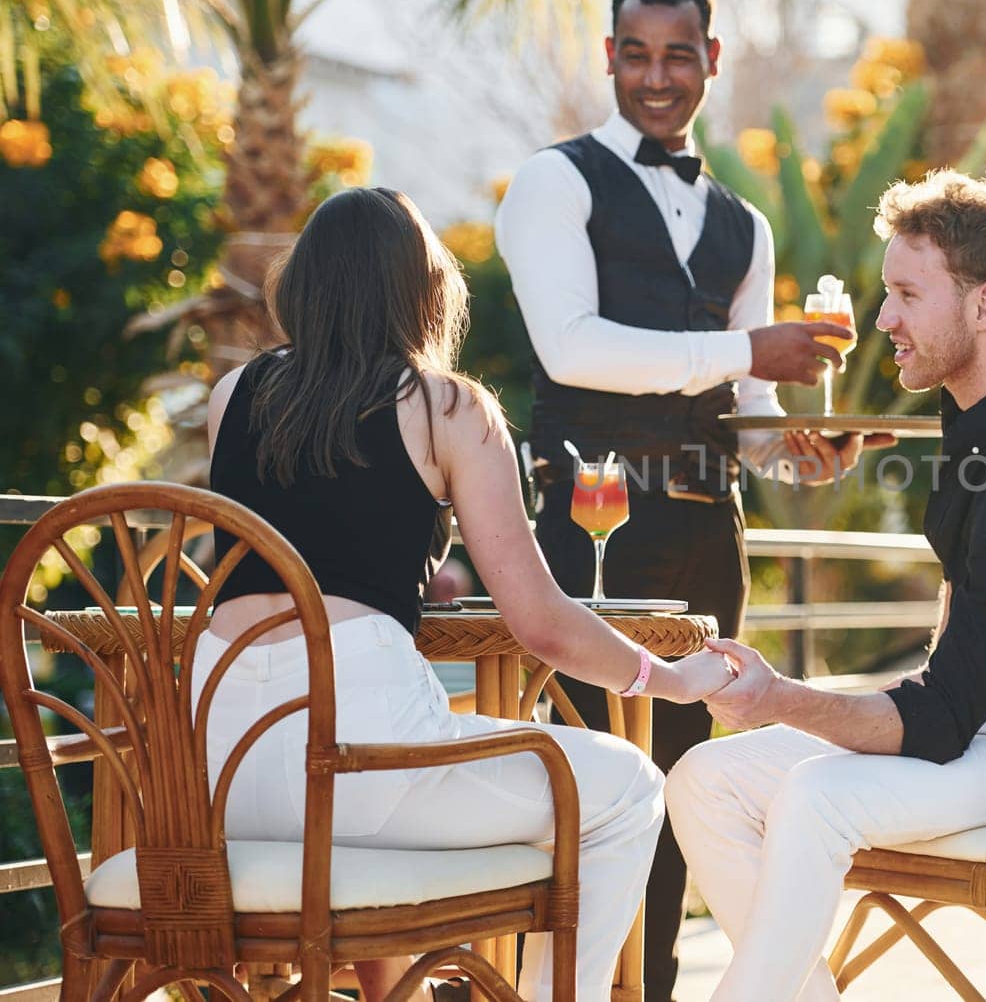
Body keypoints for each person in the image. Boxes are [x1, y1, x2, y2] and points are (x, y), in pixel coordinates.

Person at [199, 187, 738, 1002]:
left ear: (304, 283)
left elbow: (287, 546)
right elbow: (543, 623)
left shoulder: (230, 396)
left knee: (431, 816)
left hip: (224, 768)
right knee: (629, 788)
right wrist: (670, 679)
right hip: (361, 764)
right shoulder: (446, 404)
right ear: (423, 290)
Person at [665, 170, 986, 1002]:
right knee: (704, 781)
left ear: (985, 306)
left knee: (818, 796)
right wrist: (853, 429)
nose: (882, 319)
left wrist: (780, 697)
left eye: (906, 294)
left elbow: (938, 719)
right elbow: (957, 697)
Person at [494, 0, 880, 999]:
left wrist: (795, 451)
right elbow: (571, 350)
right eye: (636, 53)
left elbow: (740, 403)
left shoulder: (743, 225)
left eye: (678, 54)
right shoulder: (553, 180)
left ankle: (650, 987)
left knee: (679, 782)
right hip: (589, 528)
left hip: (711, 536)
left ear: (712, 62)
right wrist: (750, 342)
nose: (657, 75)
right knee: (580, 773)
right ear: (610, 57)